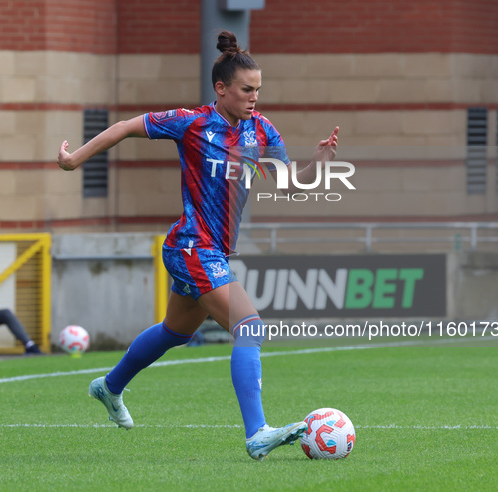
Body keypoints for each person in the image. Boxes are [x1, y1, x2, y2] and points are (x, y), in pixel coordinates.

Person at [57, 31, 339, 461]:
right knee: (249, 326)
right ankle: (257, 431)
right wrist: (76, 158)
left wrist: (316, 165)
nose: (254, 98)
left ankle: (109, 387)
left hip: (213, 252)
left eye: (258, 90)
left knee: (175, 332)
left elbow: (287, 187)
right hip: (191, 245)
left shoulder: (261, 130)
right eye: (247, 90)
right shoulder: (191, 122)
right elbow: (126, 128)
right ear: (221, 89)